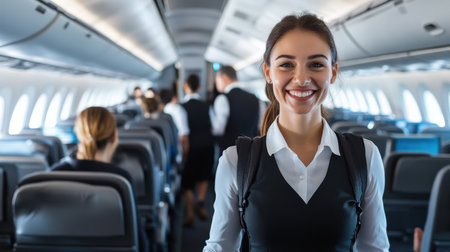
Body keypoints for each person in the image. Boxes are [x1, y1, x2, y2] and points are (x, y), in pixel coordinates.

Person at [203, 13, 389, 251]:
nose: (301, 78)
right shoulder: (236, 161)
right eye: (286, 64)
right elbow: (221, 246)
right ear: (268, 72)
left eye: (316, 64)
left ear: (333, 72)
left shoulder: (365, 157)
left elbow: (374, 248)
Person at [49, 106, 149, 252]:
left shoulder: (50, 176)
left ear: (78, 134)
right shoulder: (120, 180)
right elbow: (139, 240)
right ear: (114, 136)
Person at [181, 74, 215, 227]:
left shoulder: (181, 108)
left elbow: (181, 132)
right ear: (199, 87)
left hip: (191, 147)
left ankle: (189, 213)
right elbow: (214, 126)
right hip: (207, 145)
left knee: (188, 182)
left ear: (185, 87)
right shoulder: (207, 105)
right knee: (203, 176)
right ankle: (200, 201)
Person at [211, 65, 266, 154]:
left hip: (229, 153)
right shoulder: (256, 99)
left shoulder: (222, 99)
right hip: (252, 154)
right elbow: (261, 126)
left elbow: (218, 130)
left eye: (217, 80)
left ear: (224, 78)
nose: (216, 83)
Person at [159, 88, 190, 162]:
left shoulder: (161, 112)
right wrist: (185, 156)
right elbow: (183, 135)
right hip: (177, 153)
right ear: (173, 98)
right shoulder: (178, 109)